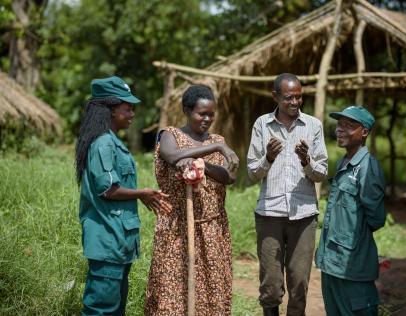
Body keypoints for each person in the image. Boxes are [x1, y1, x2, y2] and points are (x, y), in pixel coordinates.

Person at [75, 76, 171, 316]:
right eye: (127, 108)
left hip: (118, 240)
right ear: (110, 110)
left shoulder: (112, 141)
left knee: (115, 308)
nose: (132, 114)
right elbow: (108, 189)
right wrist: (143, 193)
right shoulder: (103, 143)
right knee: (100, 309)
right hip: (107, 239)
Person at [145, 84, 239, 315]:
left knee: (211, 287)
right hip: (176, 227)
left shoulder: (217, 138)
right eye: (201, 113)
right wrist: (215, 148)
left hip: (211, 228)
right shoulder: (171, 136)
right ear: (187, 110)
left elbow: (230, 176)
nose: (207, 119)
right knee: (172, 285)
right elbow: (172, 156)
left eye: (211, 114)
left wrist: (203, 165)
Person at [247, 73, 328, 316]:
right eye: (289, 97)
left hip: (303, 216)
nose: (295, 102)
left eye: (299, 97)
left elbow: (321, 172)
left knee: (299, 282)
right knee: (270, 285)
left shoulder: (313, 125)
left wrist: (307, 160)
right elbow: (252, 172)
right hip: (269, 213)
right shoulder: (262, 124)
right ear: (276, 97)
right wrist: (268, 158)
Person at [315, 106, 386, 316]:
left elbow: (376, 218)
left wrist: (352, 241)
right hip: (331, 263)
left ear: (364, 132)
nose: (340, 129)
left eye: (349, 125)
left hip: (353, 268)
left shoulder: (367, 167)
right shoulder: (343, 163)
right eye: (339, 124)